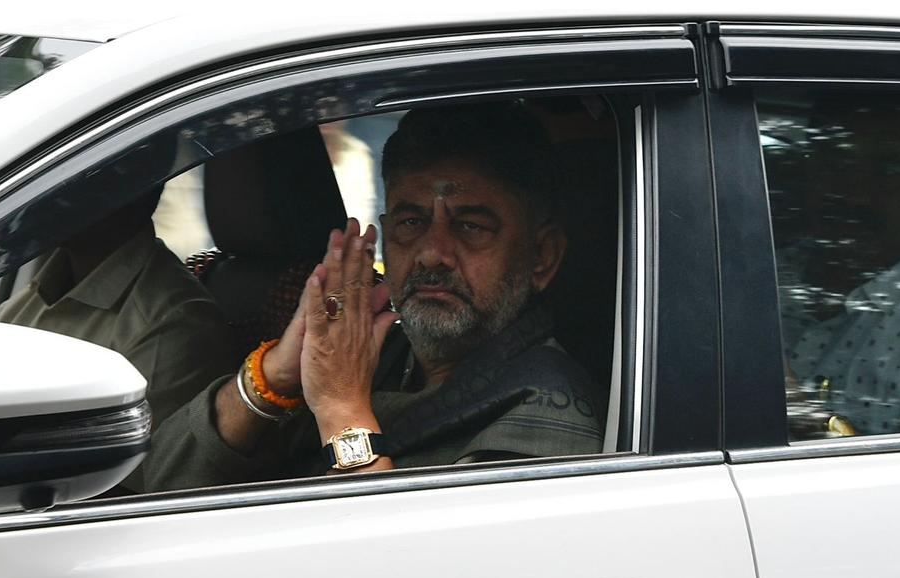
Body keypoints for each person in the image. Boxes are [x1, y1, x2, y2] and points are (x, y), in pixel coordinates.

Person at [144, 102, 604, 493]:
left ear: (541, 257)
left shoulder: (547, 415)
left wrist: (343, 409)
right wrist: (278, 373)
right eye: (411, 222)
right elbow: (161, 482)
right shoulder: (374, 354)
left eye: (470, 226)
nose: (431, 253)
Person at [0, 192, 240, 488]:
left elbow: (121, 494)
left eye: (79, 177)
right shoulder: (23, 303)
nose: (48, 193)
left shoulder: (172, 324)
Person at [779, 95, 900, 435]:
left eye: (889, 171)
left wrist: (798, 409)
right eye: (837, 163)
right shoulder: (757, 271)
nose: (853, 192)